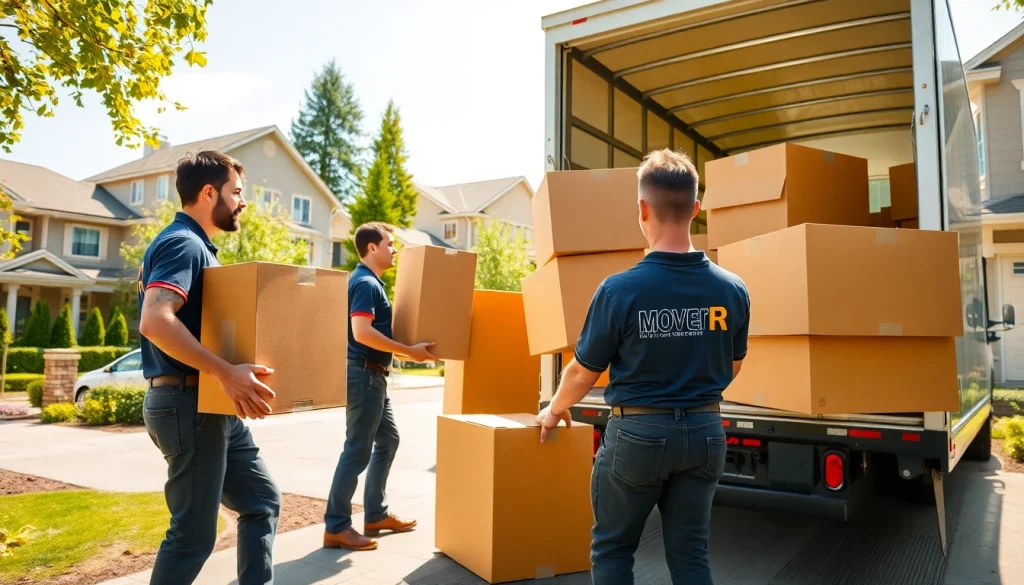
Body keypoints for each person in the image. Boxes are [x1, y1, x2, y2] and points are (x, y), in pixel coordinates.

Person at [536, 149, 750, 585]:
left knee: (613, 549)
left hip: (638, 437)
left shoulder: (619, 291)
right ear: (695, 209)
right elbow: (734, 363)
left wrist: (554, 410)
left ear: (641, 209)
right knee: (691, 556)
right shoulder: (733, 289)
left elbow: (582, 371)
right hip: (706, 434)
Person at [137, 150, 281, 585]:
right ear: (208, 192)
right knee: (193, 536)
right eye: (236, 192)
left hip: (209, 402)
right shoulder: (184, 243)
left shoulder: (197, 246)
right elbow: (155, 320)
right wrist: (225, 371)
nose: (242, 201)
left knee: (261, 501)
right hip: (189, 402)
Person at [323, 222, 437, 551]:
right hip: (364, 375)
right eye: (389, 243)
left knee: (388, 441)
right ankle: (337, 526)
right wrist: (409, 352)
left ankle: (375, 514)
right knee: (357, 450)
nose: (394, 249)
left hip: (374, 375)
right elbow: (361, 332)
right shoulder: (365, 283)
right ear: (371, 248)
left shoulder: (371, 283)